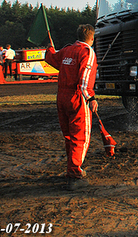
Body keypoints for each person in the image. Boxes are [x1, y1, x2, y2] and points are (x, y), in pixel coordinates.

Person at [45, 24, 98, 191]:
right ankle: (75, 175)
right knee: (80, 136)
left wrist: (50, 49)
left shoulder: (67, 50)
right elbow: (85, 78)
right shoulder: (87, 52)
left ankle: (71, 167)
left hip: (61, 97)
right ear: (92, 38)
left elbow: (52, 59)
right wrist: (91, 97)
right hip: (77, 97)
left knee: (68, 135)